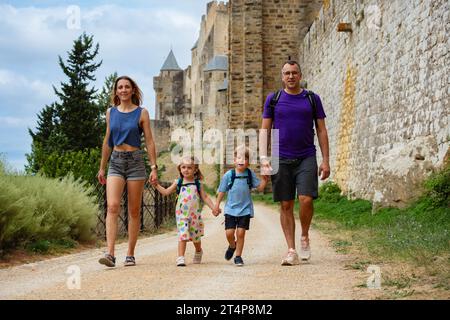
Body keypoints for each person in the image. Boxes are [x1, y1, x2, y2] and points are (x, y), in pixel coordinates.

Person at [259, 60, 330, 265]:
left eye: (294, 73)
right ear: (282, 76)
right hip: (280, 157)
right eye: (287, 73)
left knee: (306, 199)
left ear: (300, 75)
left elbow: (322, 130)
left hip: (306, 155)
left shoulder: (312, 98)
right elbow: (265, 130)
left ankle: (305, 235)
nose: (291, 76)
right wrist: (264, 159)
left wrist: (325, 160)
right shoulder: (273, 99)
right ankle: (291, 250)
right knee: (286, 203)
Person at [97, 75, 158, 267]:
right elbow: (108, 140)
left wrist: (154, 166)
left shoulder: (142, 113)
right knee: (113, 206)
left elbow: (149, 141)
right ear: (116, 91)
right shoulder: (110, 113)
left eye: (127, 87)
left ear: (133, 90)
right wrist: (102, 166)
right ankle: (110, 254)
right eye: (120, 87)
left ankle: (130, 253)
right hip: (115, 161)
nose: (123, 90)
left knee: (133, 210)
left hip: (135, 162)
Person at [154, 156, 219, 266]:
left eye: (189, 167)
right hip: (181, 215)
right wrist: (156, 185)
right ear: (180, 169)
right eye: (183, 167)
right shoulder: (178, 182)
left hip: (194, 215)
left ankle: (198, 251)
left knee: (195, 237)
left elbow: (205, 197)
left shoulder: (198, 183)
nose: (186, 170)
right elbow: (165, 192)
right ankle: (180, 257)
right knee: (182, 234)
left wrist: (214, 208)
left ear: (195, 170)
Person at [214, 146, 269, 266]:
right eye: (238, 158)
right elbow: (222, 191)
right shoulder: (229, 175)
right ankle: (232, 245)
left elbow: (259, 188)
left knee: (241, 233)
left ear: (249, 162)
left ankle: (238, 256)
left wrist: (265, 180)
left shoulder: (250, 174)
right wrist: (216, 205)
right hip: (230, 209)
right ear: (234, 160)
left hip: (245, 209)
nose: (241, 160)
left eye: (244, 158)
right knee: (229, 233)